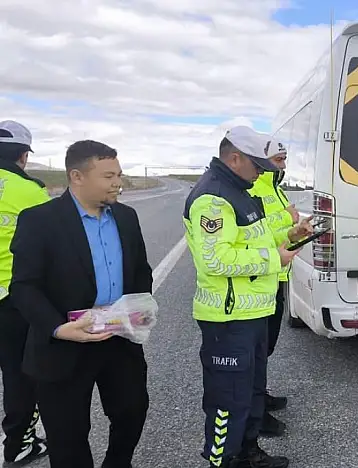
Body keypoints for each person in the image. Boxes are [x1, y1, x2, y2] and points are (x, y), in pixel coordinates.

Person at [9, 139, 153, 468]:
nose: (117, 182)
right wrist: (58, 328)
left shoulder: (126, 217)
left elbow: (140, 271)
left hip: (119, 337)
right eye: (108, 176)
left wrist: (138, 308)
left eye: (119, 174)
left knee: (132, 412)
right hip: (64, 344)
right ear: (77, 177)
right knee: (68, 435)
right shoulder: (40, 220)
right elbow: (24, 286)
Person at [184, 126, 313, 468]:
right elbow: (216, 260)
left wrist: (290, 233)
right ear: (234, 158)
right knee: (228, 399)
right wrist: (274, 259)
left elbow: (256, 235)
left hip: (253, 311)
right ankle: (223, 459)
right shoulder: (213, 198)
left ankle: (248, 452)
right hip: (228, 317)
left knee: (252, 389)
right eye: (257, 165)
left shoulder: (240, 190)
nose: (261, 172)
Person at [0, 120, 50, 464]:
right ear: (23, 156)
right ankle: (19, 444)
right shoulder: (30, 192)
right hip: (12, 301)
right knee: (21, 374)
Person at [247, 138, 296, 437]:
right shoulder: (254, 189)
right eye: (278, 159)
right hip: (262, 278)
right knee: (256, 350)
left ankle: (260, 396)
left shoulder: (276, 187)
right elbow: (259, 232)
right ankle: (255, 413)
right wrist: (288, 218)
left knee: (266, 347)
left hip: (278, 275)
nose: (283, 165)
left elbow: (276, 231)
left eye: (284, 159)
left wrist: (295, 231)